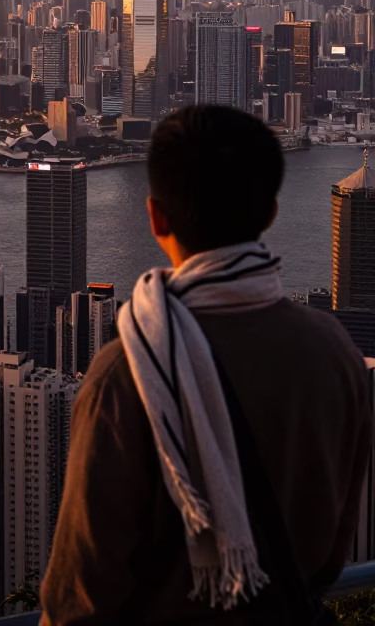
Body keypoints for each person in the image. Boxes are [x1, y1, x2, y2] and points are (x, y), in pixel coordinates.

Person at [41, 105, 371, 624]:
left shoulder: (125, 373)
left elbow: (78, 599)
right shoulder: (338, 355)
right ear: (270, 214)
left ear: (155, 217)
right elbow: (333, 552)